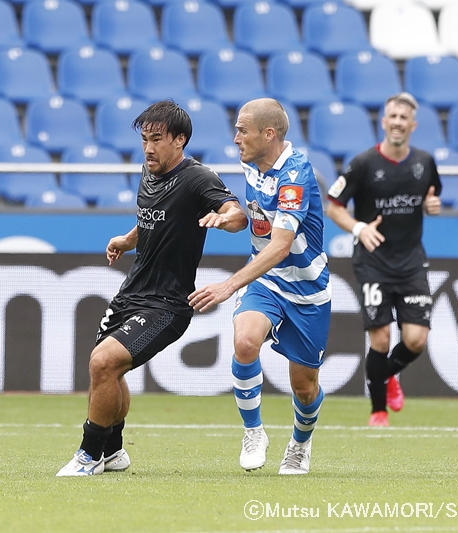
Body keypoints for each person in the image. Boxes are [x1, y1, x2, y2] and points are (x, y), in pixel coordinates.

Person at [57, 99, 248, 476]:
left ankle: (88, 453)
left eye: (156, 139)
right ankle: (113, 452)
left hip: (167, 304)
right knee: (107, 371)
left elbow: (237, 213)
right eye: (145, 139)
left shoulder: (198, 178)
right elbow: (151, 221)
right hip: (132, 293)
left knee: (103, 362)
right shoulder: (150, 172)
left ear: (179, 140)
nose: (148, 148)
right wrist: (128, 241)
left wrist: (224, 219)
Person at [189, 98, 331, 475]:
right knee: (245, 341)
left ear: (268, 134)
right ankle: (254, 432)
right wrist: (231, 216)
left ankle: (300, 443)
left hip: (306, 290)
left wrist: (228, 285)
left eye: (242, 130)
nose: (235, 138)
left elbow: (281, 244)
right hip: (266, 280)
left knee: (304, 387)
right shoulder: (252, 164)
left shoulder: (295, 175)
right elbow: (255, 221)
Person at [325, 92, 442, 427]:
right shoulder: (363, 163)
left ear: (413, 125)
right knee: (381, 338)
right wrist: (359, 227)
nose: (397, 123)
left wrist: (432, 208)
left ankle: (388, 376)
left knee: (416, 339)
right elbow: (334, 205)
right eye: (392, 116)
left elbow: (432, 199)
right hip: (373, 261)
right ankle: (378, 412)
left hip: (411, 261)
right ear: (383, 121)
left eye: (404, 118)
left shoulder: (424, 162)